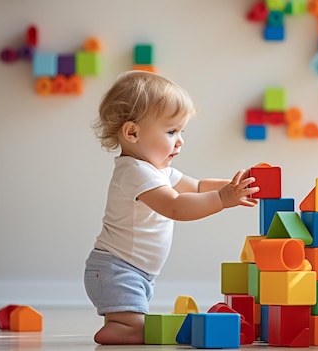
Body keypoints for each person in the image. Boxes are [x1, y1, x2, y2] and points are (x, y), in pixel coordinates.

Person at [84, 70, 259, 345]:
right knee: (141, 328)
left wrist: (235, 185)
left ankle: (123, 324)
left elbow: (199, 186)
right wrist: (224, 199)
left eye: (181, 131)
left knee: (134, 320)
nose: (180, 140)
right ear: (132, 132)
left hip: (131, 270)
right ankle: (123, 328)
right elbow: (175, 207)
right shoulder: (135, 172)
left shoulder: (156, 170)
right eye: (171, 131)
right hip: (117, 269)